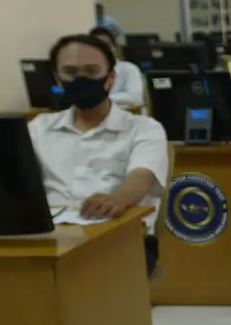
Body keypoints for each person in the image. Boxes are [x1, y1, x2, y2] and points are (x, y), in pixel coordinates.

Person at [28, 34, 166, 228]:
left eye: (92, 72)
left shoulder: (144, 129)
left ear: (110, 78)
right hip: (53, 235)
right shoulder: (39, 128)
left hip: (120, 236)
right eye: (71, 72)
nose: (81, 80)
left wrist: (118, 199)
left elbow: (142, 176)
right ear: (58, 80)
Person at [89, 26, 145, 110]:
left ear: (115, 47)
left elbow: (136, 98)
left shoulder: (128, 69)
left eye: (107, 45)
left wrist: (101, 100)